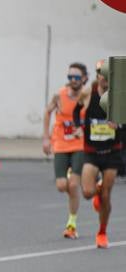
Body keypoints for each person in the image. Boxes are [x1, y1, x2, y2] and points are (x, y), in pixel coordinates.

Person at [78, 62, 122, 249]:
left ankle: (102, 232)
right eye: (99, 73)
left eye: (105, 73)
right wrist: (78, 127)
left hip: (112, 152)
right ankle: (96, 192)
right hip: (92, 151)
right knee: (88, 193)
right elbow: (75, 112)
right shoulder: (88, 93)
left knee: (107, 194)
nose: (102, 77)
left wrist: (119, 125)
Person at [43, 62, 89, 238]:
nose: (73, 80)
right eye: (70, 77)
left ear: (84, 78)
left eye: (76, 77)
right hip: (61, 143)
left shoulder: (88, 96)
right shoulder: (59, 95)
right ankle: (75, 194)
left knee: (74, 184)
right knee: (62, 185)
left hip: (79, 145)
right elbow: (47, 112)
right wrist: (46, 138)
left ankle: (72, 223)